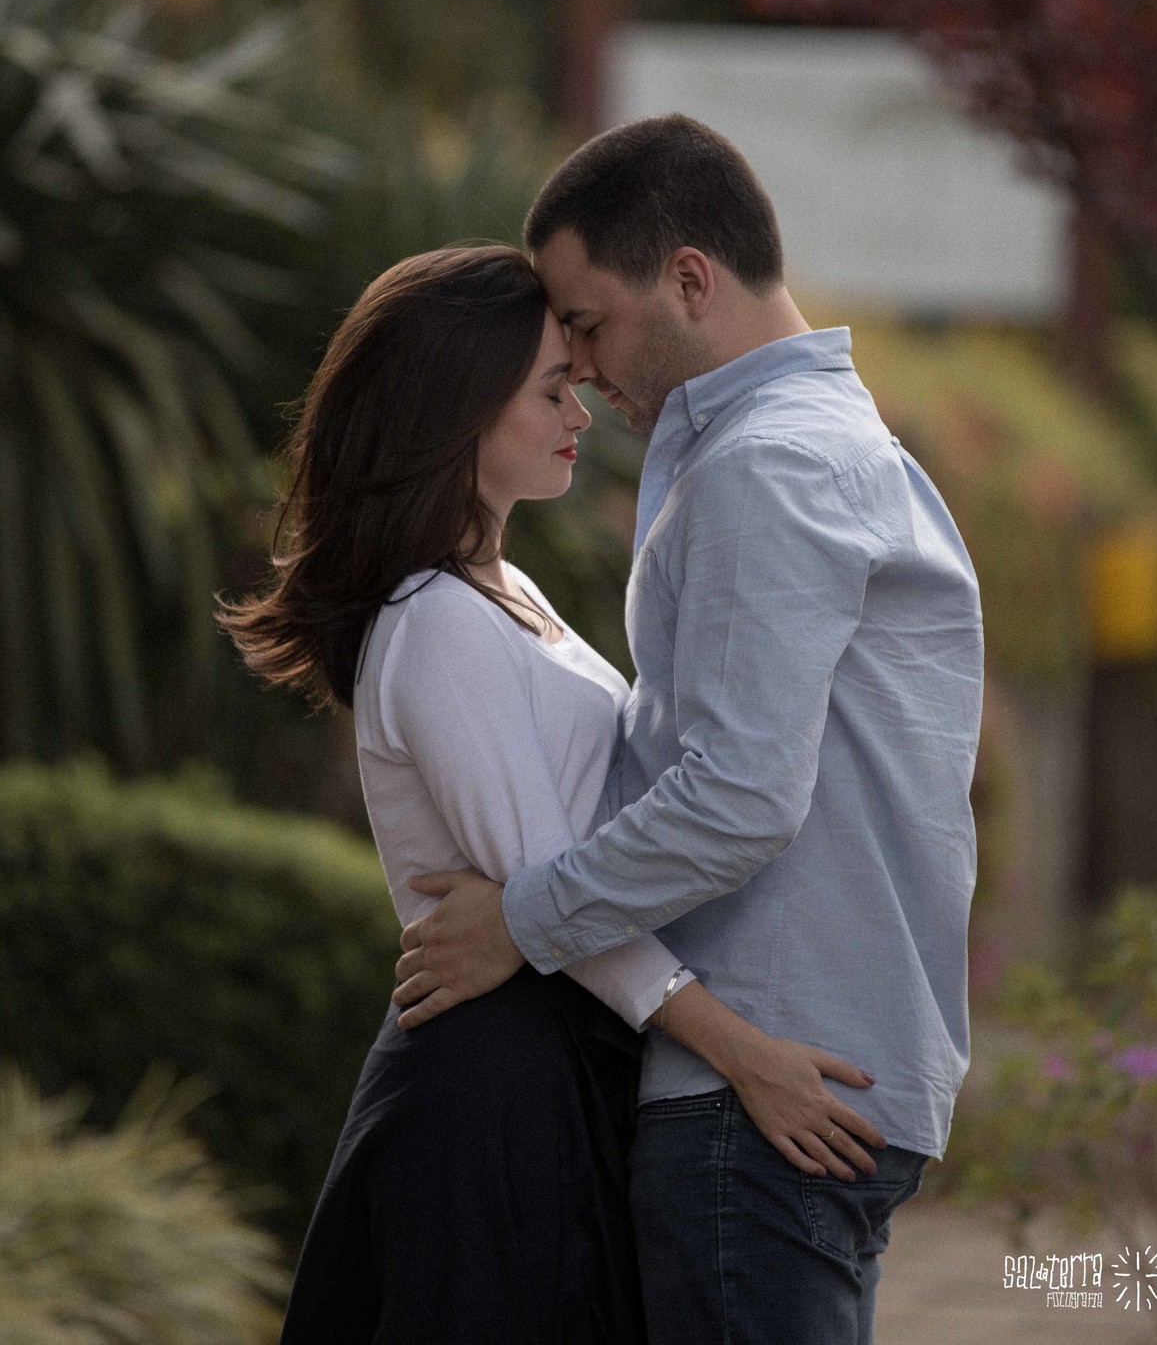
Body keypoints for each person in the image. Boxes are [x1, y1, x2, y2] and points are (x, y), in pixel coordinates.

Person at [216, 242, 887, 1345]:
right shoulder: (430, 619)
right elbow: (553, 902)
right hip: (489, 1086)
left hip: (555, 1064)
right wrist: (746, 1058)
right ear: (455, 414)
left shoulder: (504, 590)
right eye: (548, 390)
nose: (578, 410)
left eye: (573, 381)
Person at [390, 115, 986, 1345]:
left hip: (759, 1088)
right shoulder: (847, 447)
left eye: (589, 326)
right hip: (821, 1073)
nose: (587, 373)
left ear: (689, 279)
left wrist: (517, 918)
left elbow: (734, 796)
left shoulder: (764, 466)